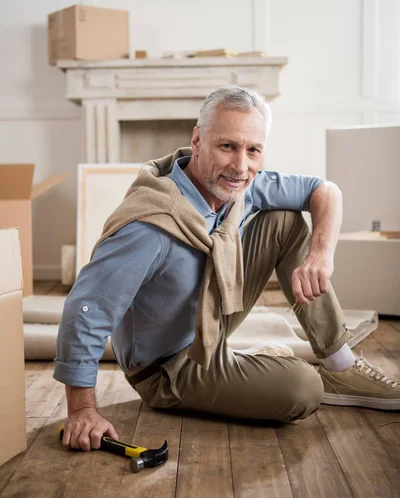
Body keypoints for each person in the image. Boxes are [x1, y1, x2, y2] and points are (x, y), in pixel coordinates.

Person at [54, 86, 400, 452]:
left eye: (253, 150)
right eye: (228, 146)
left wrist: (321, 255)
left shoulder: (236, 185)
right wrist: (83, 409)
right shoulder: (149, 224)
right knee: (304, 389)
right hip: (169, 368)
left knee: (284, 221)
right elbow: (86, 308)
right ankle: (270, 370)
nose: (241, 166)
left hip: (209, 319)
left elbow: (324, 190)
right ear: (198, 140)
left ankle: (340, 364)